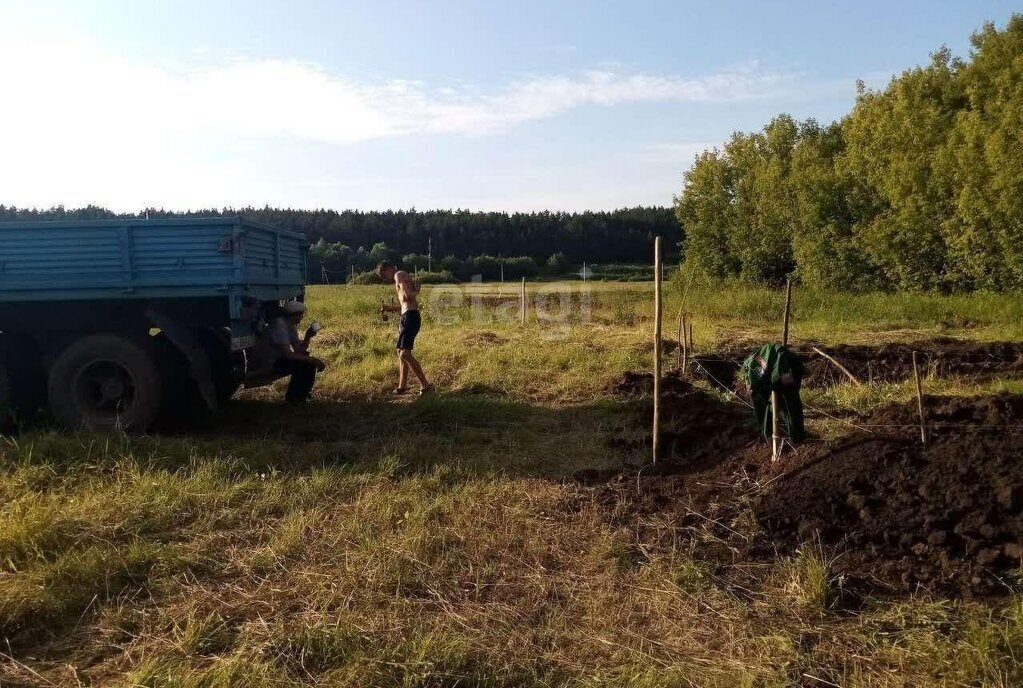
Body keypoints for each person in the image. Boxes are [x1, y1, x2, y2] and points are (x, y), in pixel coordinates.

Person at [375, 261, 432, 395]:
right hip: (407, 315)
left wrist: (415, 291)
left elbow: (409, 296)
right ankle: (402, 386)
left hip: (410, 317)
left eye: (384, 275)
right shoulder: (400, 276)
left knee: (405, 353)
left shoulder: (399, 275)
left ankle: (426, 385)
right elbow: (406, 303)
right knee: (400, 352)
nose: (385, 278)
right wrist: (390, 308)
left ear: (389, 268)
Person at [267, 300, 326, 404]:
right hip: (268, 362)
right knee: (306, 363)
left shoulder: (290, 326)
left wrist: (308, 337)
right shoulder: (279, 327)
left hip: (277, 358)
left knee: (306, 360)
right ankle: (295, 399)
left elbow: (299, 351)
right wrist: (312, 359)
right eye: (301, 314)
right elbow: (287, 354)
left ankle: (300, 396)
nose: (302, 317)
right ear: (295, 315)